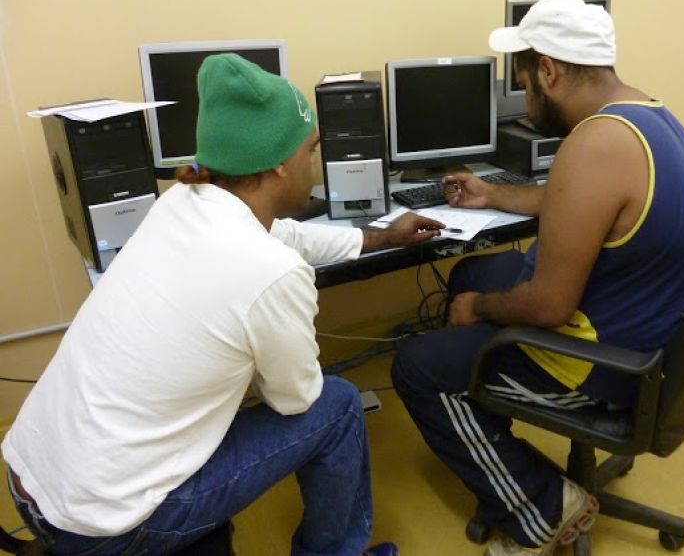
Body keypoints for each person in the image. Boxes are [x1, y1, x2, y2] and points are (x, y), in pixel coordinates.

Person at [2, 53, 444, 556]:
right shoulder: (272, 272)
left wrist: (380, 237)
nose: (315, 163)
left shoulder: (180, 203)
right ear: (279, 163)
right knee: (338, 404)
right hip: (105, 525)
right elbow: (296, 400)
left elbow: (282, 234)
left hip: (31, 475)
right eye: (311, 149)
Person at [391, 0, 684, 556]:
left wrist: (478, 311)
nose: (520, 91)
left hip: (603, 365)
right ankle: (495, 438)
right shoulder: (645, 116)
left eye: (522, 76)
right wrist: (492, 193)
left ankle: (538, 509)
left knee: (418, 368)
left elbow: (547, 307)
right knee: (472, 272)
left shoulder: (594, 144)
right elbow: (576, 201)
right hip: (648, 332)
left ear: (548, 71)